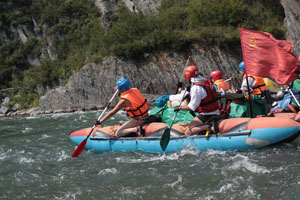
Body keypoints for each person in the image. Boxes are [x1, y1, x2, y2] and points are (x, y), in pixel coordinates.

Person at [174, 65, 220, 135]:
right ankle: (205, 127)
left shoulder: (196, 88)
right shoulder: (206, 81)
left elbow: (192, 107)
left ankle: (209, 126)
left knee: (188, 132)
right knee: (189, 126)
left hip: (207, 114)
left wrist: (180, 108)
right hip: (216, 111)